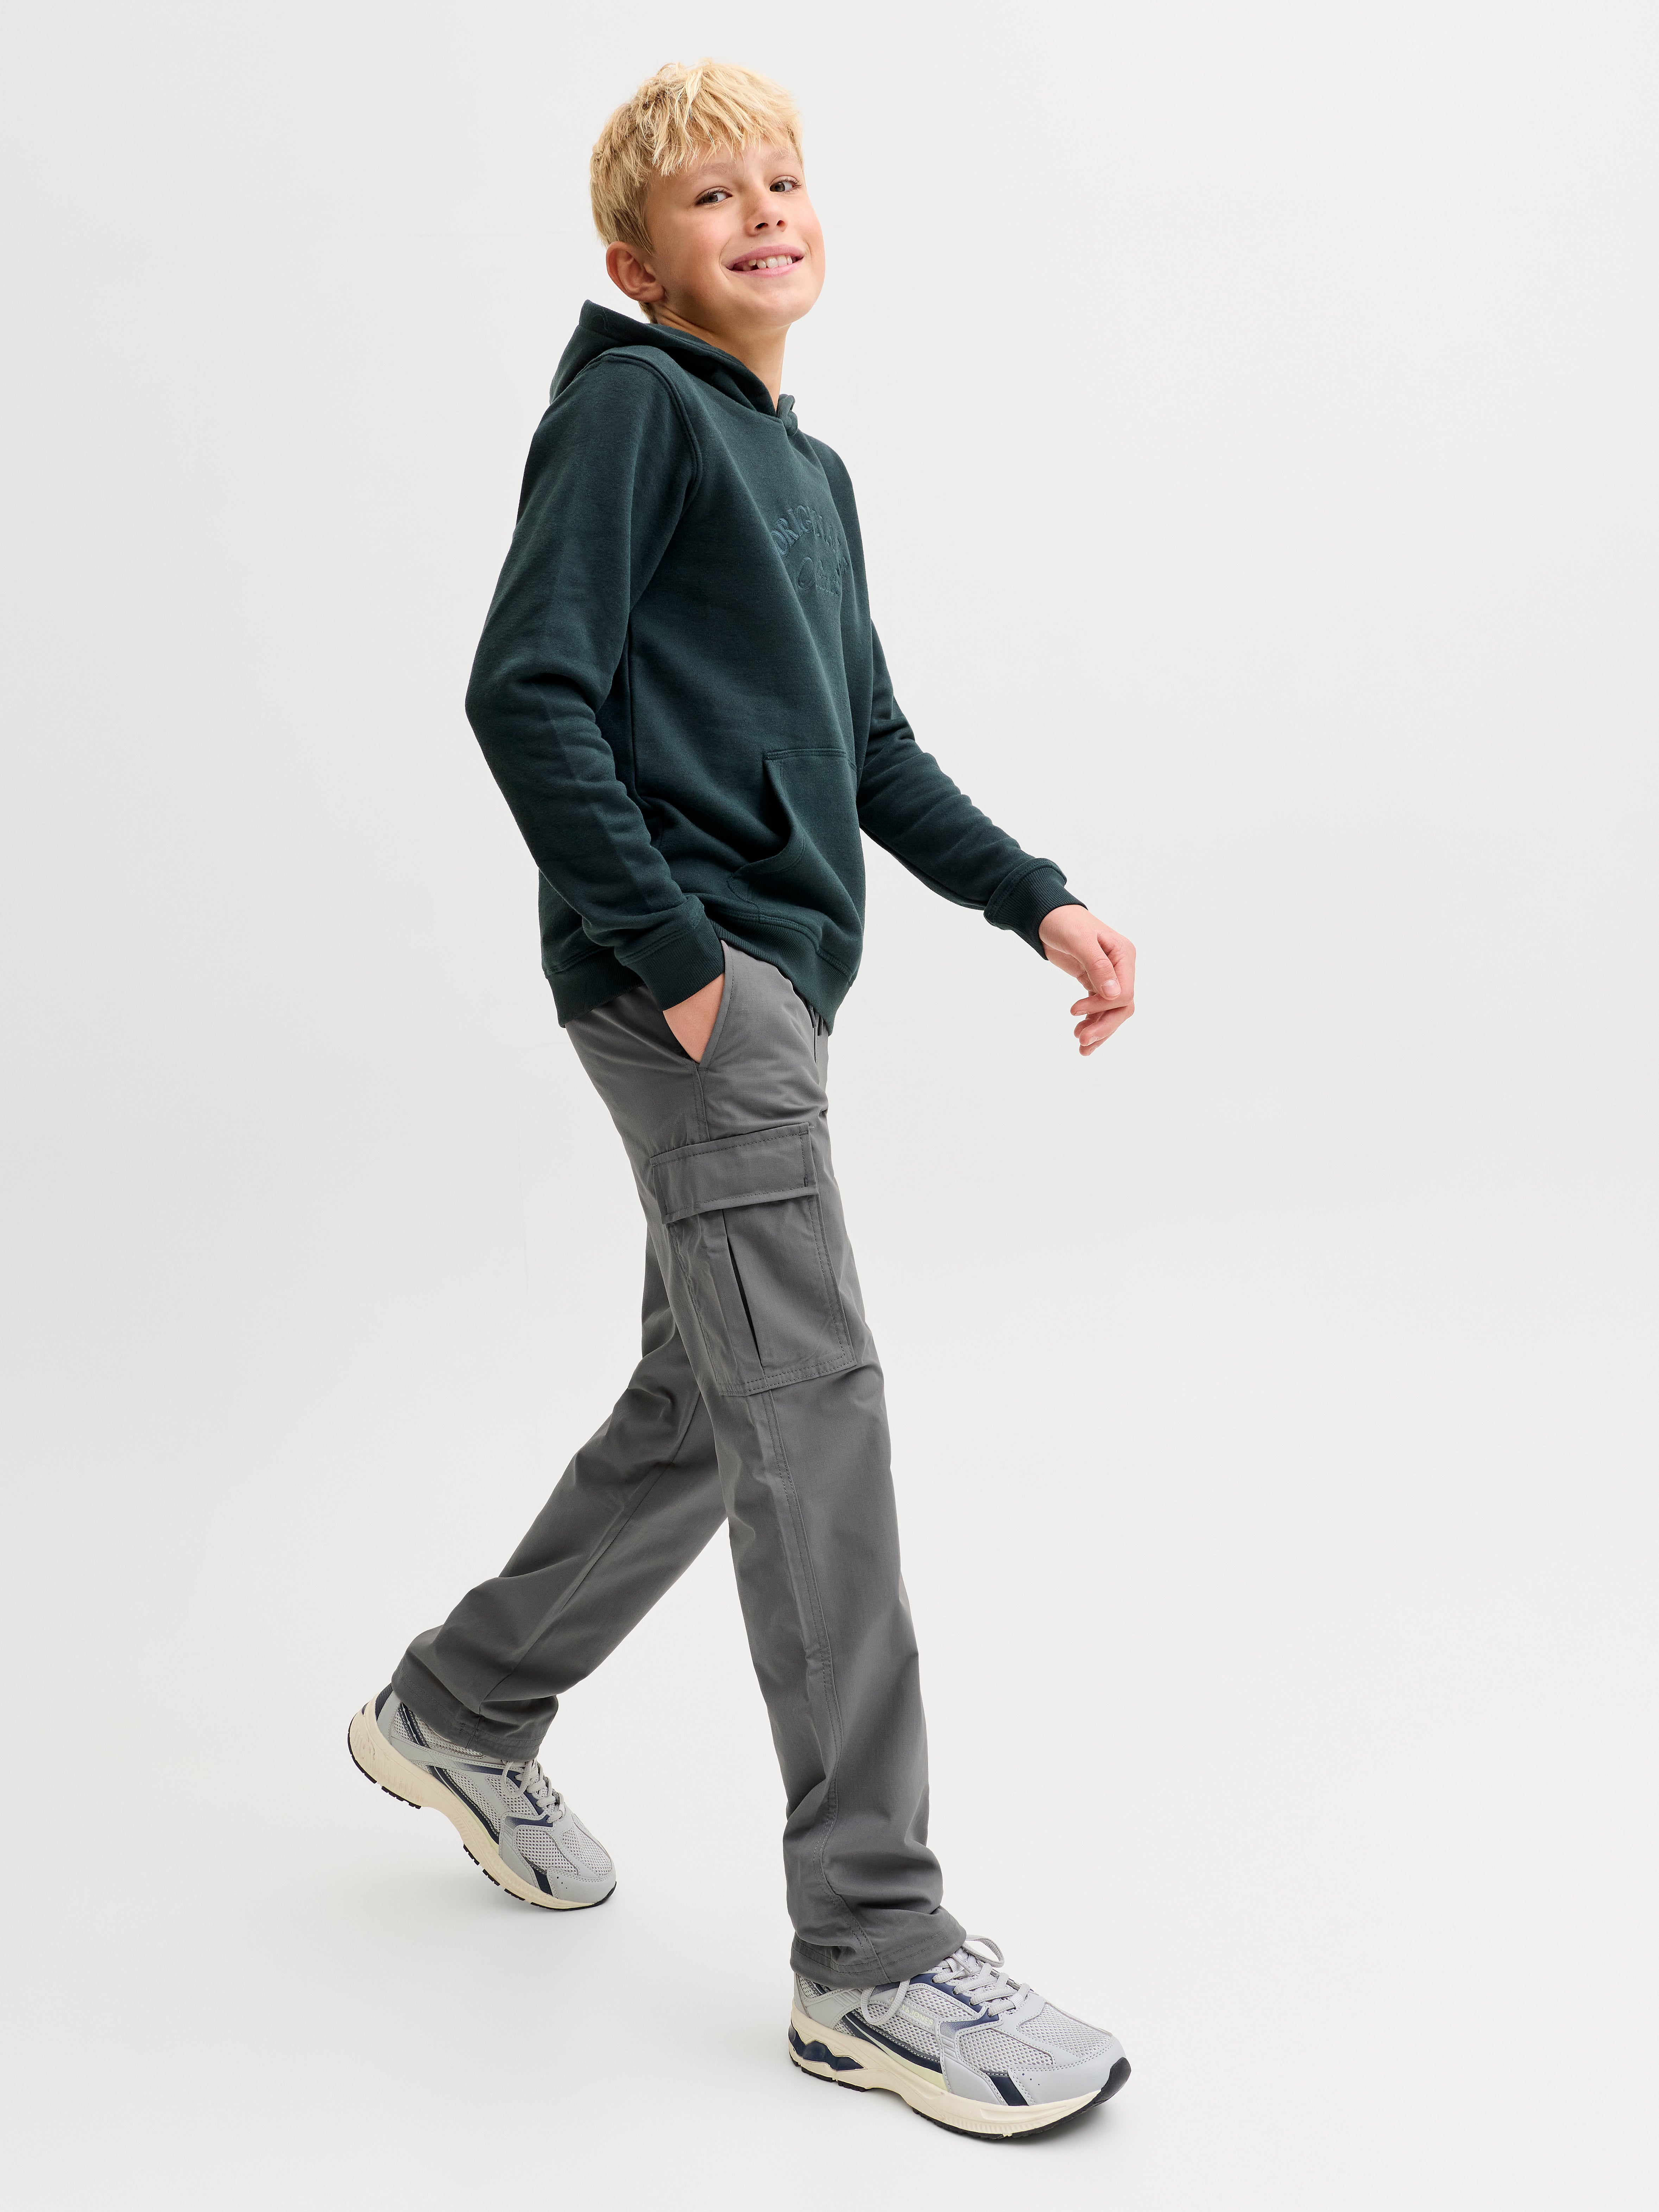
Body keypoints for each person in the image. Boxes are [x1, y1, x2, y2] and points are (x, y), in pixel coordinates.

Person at [348, 59, 1135, 2139]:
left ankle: (462, 1705)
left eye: (784, 178)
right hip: (697, 987)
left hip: (769, 986)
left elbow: (865, 742)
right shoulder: (632, 408)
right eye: (713, 196)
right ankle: (871, 1950)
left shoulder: (810, 469)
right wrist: (683, 962)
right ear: (639, 263)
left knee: (713, 1402)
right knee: (815, 1412)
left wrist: (1035, 898)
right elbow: (524, 687)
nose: (765, 210)